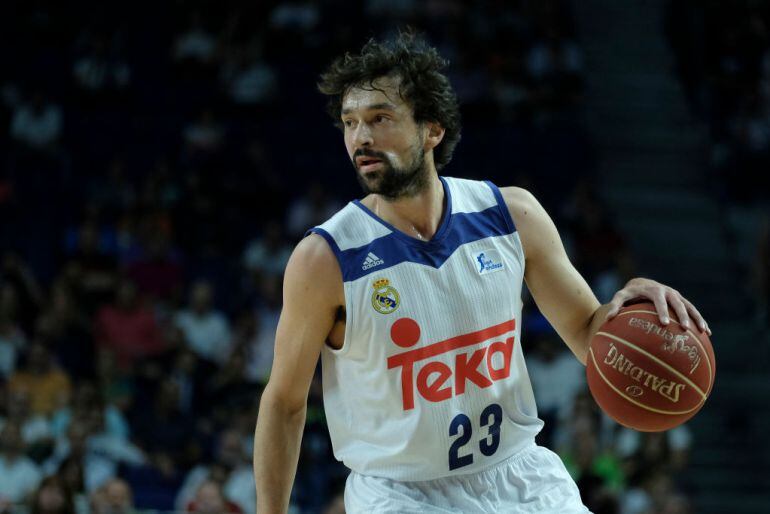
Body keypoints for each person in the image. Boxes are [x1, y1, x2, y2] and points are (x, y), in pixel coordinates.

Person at [253, 32, 711, 514]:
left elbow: (585, 333)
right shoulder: (324, 258)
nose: (360, 138)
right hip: (402, 493)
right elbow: (283, 402)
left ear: (432, 130)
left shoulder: (510, 214)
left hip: (521, 475)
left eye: (379, 119)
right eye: (350, 123)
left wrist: (633, 303)